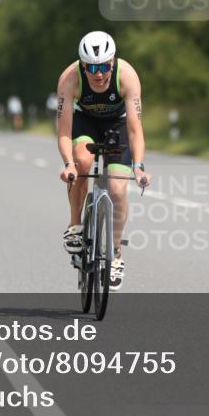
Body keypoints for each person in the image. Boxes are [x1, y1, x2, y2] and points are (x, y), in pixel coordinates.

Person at [56, 31, 150, 291]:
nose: (98, 74)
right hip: (84, 122)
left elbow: (135, 129)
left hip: (117, 124)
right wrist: (68, 164)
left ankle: (116, 253)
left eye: (104, 66)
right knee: (82, 162)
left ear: (113, 62)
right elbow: (64, 130)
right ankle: (75, 225)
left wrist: (139, 167)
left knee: (118, 188)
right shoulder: (69, 79)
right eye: (92, 67)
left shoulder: (127, 76)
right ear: (82, 65)